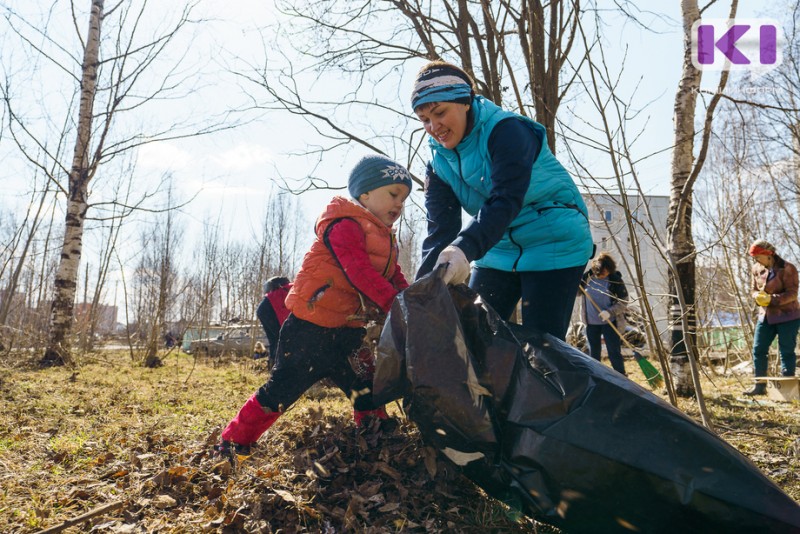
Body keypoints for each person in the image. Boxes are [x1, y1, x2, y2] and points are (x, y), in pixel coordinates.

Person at [214, 154, 412, 456]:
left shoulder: (387, 240)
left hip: (348, 330)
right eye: (393, 194)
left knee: (365, 384)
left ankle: (374, 430)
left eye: (404, 199)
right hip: (310, 330)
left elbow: (394, 276)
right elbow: (358, 271)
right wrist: (394, 306)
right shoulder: (345, 224)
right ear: (365, 193)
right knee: (282, 389)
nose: (399, 204)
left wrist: (412, 302)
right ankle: (234, 441)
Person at [411, 61, 593, 340]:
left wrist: (464, 248)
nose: (434, 127)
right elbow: (440, 233)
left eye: (440, 112)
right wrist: (422, 295)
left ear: (465, 102)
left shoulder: (508, 131)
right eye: (424, 119)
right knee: (472, 338)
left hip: (553, 240)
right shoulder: (438, 164)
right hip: (498, 248)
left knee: (540, 347)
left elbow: (505, 200)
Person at [744, 239, 800, 396]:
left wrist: (771, 299)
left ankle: (788, 389)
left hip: (788, 316)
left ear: (768, 254)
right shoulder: (756, 269)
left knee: (786, 351)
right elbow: (753, 289)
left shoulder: (788, 268)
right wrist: (757, 296)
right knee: (758, 349)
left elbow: (792, 293)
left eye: (758, 256)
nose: (756, 260)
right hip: (766, 317)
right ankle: (759, 386)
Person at [579, 252, 629, 375]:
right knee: (593, 353)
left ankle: (621, 377)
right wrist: (574, 283)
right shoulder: (587, 278)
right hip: (591, 323)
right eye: (601, 272)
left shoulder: (615, 280)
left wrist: (610, 312)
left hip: (610, 322)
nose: (603, 275)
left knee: (614, 352)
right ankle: (596, 377)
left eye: (606, 272)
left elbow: (624, 301)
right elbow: (577, 293)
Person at [256, 276, 292, 367]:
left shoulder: (282, 291)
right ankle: (279, 366)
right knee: (281, 339)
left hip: (262, 309)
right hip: (268, 309)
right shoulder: (289, 289)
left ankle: (273, 366)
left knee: (274, 340)